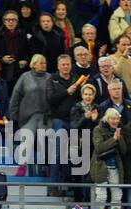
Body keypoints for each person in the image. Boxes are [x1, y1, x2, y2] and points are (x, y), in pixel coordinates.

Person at [9, 54, 51, 176]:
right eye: (41, 63)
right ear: (34, 64)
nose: (44, 65)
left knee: (46, 140)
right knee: (26, 139)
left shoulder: (50, 77)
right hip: (28, 115)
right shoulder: (25, 77)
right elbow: (16, 96)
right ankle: (22, 166)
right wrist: (14, 115)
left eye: (45, 62)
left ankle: (47, 167)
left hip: (46, 116)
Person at [46, 54, 81, 196]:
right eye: (63, 65)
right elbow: (50, 99)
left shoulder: (76, 78)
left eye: (68, 64)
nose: (66, 67)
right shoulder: (52, 79)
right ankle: (54, 187)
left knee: (75, 155)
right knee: (57, 153)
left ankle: (70, 186)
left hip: (75, 121)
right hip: (58, 120)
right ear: (58, 66)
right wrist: (67, 92)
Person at [90, 108, 126, 209]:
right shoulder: (98, 129)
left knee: (117, 195)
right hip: (101, 166)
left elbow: (124, 151)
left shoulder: (119, 130)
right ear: (107, 119)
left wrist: (119, 138)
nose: (115, 121)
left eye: (117, 119)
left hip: (115, 167)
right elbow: (99, 148)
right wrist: (113, 139)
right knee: (101, 196)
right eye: (112, 119)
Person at [0, 9, 30, 91]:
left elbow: (29, 52)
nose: (11, 22)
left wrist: (25, 61)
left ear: (17, 22)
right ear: (4, 22)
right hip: (3, 72)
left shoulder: (22, 35)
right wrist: (2, 58)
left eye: (13, 20)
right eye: (8, 20)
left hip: (20, 71)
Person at [109, 35, 131, 100]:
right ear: (117, 45)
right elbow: (117, 73)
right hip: (117, 96)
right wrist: (123, 57)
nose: (126, 47)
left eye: (128, 45)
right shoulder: (110, 59)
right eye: (123, 44)